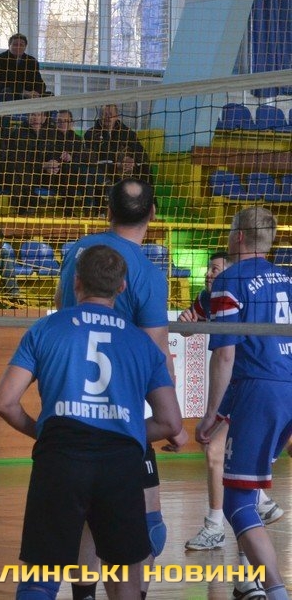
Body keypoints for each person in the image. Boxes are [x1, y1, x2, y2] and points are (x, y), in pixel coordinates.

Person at [0, 244, 182, 600]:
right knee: (124, 576)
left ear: (76, 282)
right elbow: (171, 423)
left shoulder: (45, 329)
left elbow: (4, 402)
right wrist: (126, 432)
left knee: (40, 576)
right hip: (120, 462)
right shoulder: (142, 343)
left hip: (60, 455)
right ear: (121, 287)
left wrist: (44, 431)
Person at [57, 177, 186, 600]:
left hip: (73, 405)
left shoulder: (78, 253)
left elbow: (62, 318)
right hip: (121, 414)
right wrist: (172, 420)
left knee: (87, 519)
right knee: (149, 529)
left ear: (107, 210)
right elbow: (156, 354)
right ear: (153, 214)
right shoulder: (147, 273)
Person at [195, 207, 292, 600]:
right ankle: (247, 582)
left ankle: (275, 591)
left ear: (237, 237)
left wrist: (210, 414)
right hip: (286, 386)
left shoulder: (231, 279)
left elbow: (225, 355)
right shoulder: (287, 278)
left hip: (261, 390)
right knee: (249, 492)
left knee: (237, 501)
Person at [182, 251, 284, 554]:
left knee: (216, 452)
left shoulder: (239, 290)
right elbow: (187, 328)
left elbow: (226, 354)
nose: (209, 274)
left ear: (230, 272)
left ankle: (219, 526)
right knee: (216, 450)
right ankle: (258, 505)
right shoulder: (207, 298)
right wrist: (187, 322)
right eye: (208, 269)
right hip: (243, 388)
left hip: (253, 386)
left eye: (215, 269)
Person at [0, 32, 46, 102]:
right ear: (9, 45)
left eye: (21, 45)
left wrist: (37, 92)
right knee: (7, 92)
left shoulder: (31, 61)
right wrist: (22, 92)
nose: (18, 47)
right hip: (8, 94)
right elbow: (0, 83)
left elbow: (39, 82)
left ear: (25, 47)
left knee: (49, 95)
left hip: (28, 95)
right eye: (15, 44)